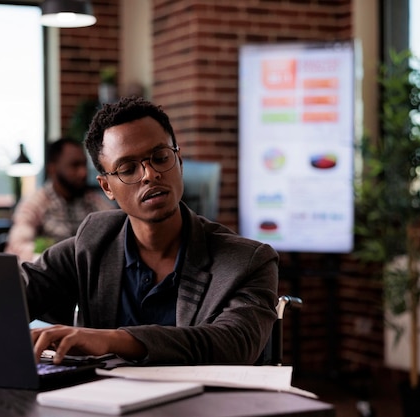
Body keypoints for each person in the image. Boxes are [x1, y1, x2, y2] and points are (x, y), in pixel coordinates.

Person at [25, 96, 279, 366]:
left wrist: (110, 340)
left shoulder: (248, 261)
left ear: (179, 161)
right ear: (107, 187)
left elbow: (232, 344)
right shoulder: (95, 241)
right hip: (106, 404)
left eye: (160, 158)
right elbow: (12, 293)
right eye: (128, 169)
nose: (149, 174)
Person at [5, 138, 114, 262]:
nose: (83, 173)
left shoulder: (92, 200)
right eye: (75, 165)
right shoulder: (36, 202)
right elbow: (18, 247)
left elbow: (118, 228)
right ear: (52, 169)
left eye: (84, 165)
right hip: (50, 275)